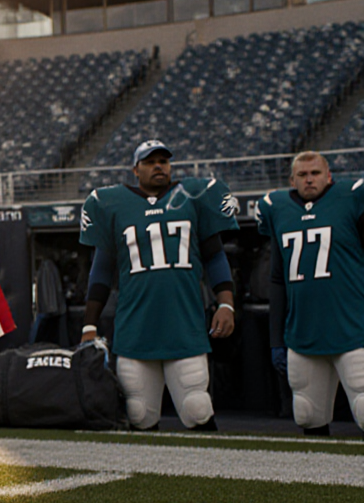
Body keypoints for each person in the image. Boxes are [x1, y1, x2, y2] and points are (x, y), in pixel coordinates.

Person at [79, 139, 238, 431]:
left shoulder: (193, 197)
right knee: (139, 413)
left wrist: (225, 302)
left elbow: (214, 257)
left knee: (197, 408)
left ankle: (213, 473)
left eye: (163, 161)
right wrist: (89, 325)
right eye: (150, 162)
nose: (158, 167)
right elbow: (101, 271)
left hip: (185, 327)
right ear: (135, 169)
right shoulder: (112, 204)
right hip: (134, 330)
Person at [255, 151, 364, 435]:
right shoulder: (277, 207)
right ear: (292, 180)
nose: (309, 179)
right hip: (303, 335)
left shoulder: (350, 198)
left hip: (353, 331)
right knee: (307, 415)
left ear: (329, 176)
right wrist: (276, 339)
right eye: (302, 175)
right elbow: (277, 280)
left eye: (315, 173)